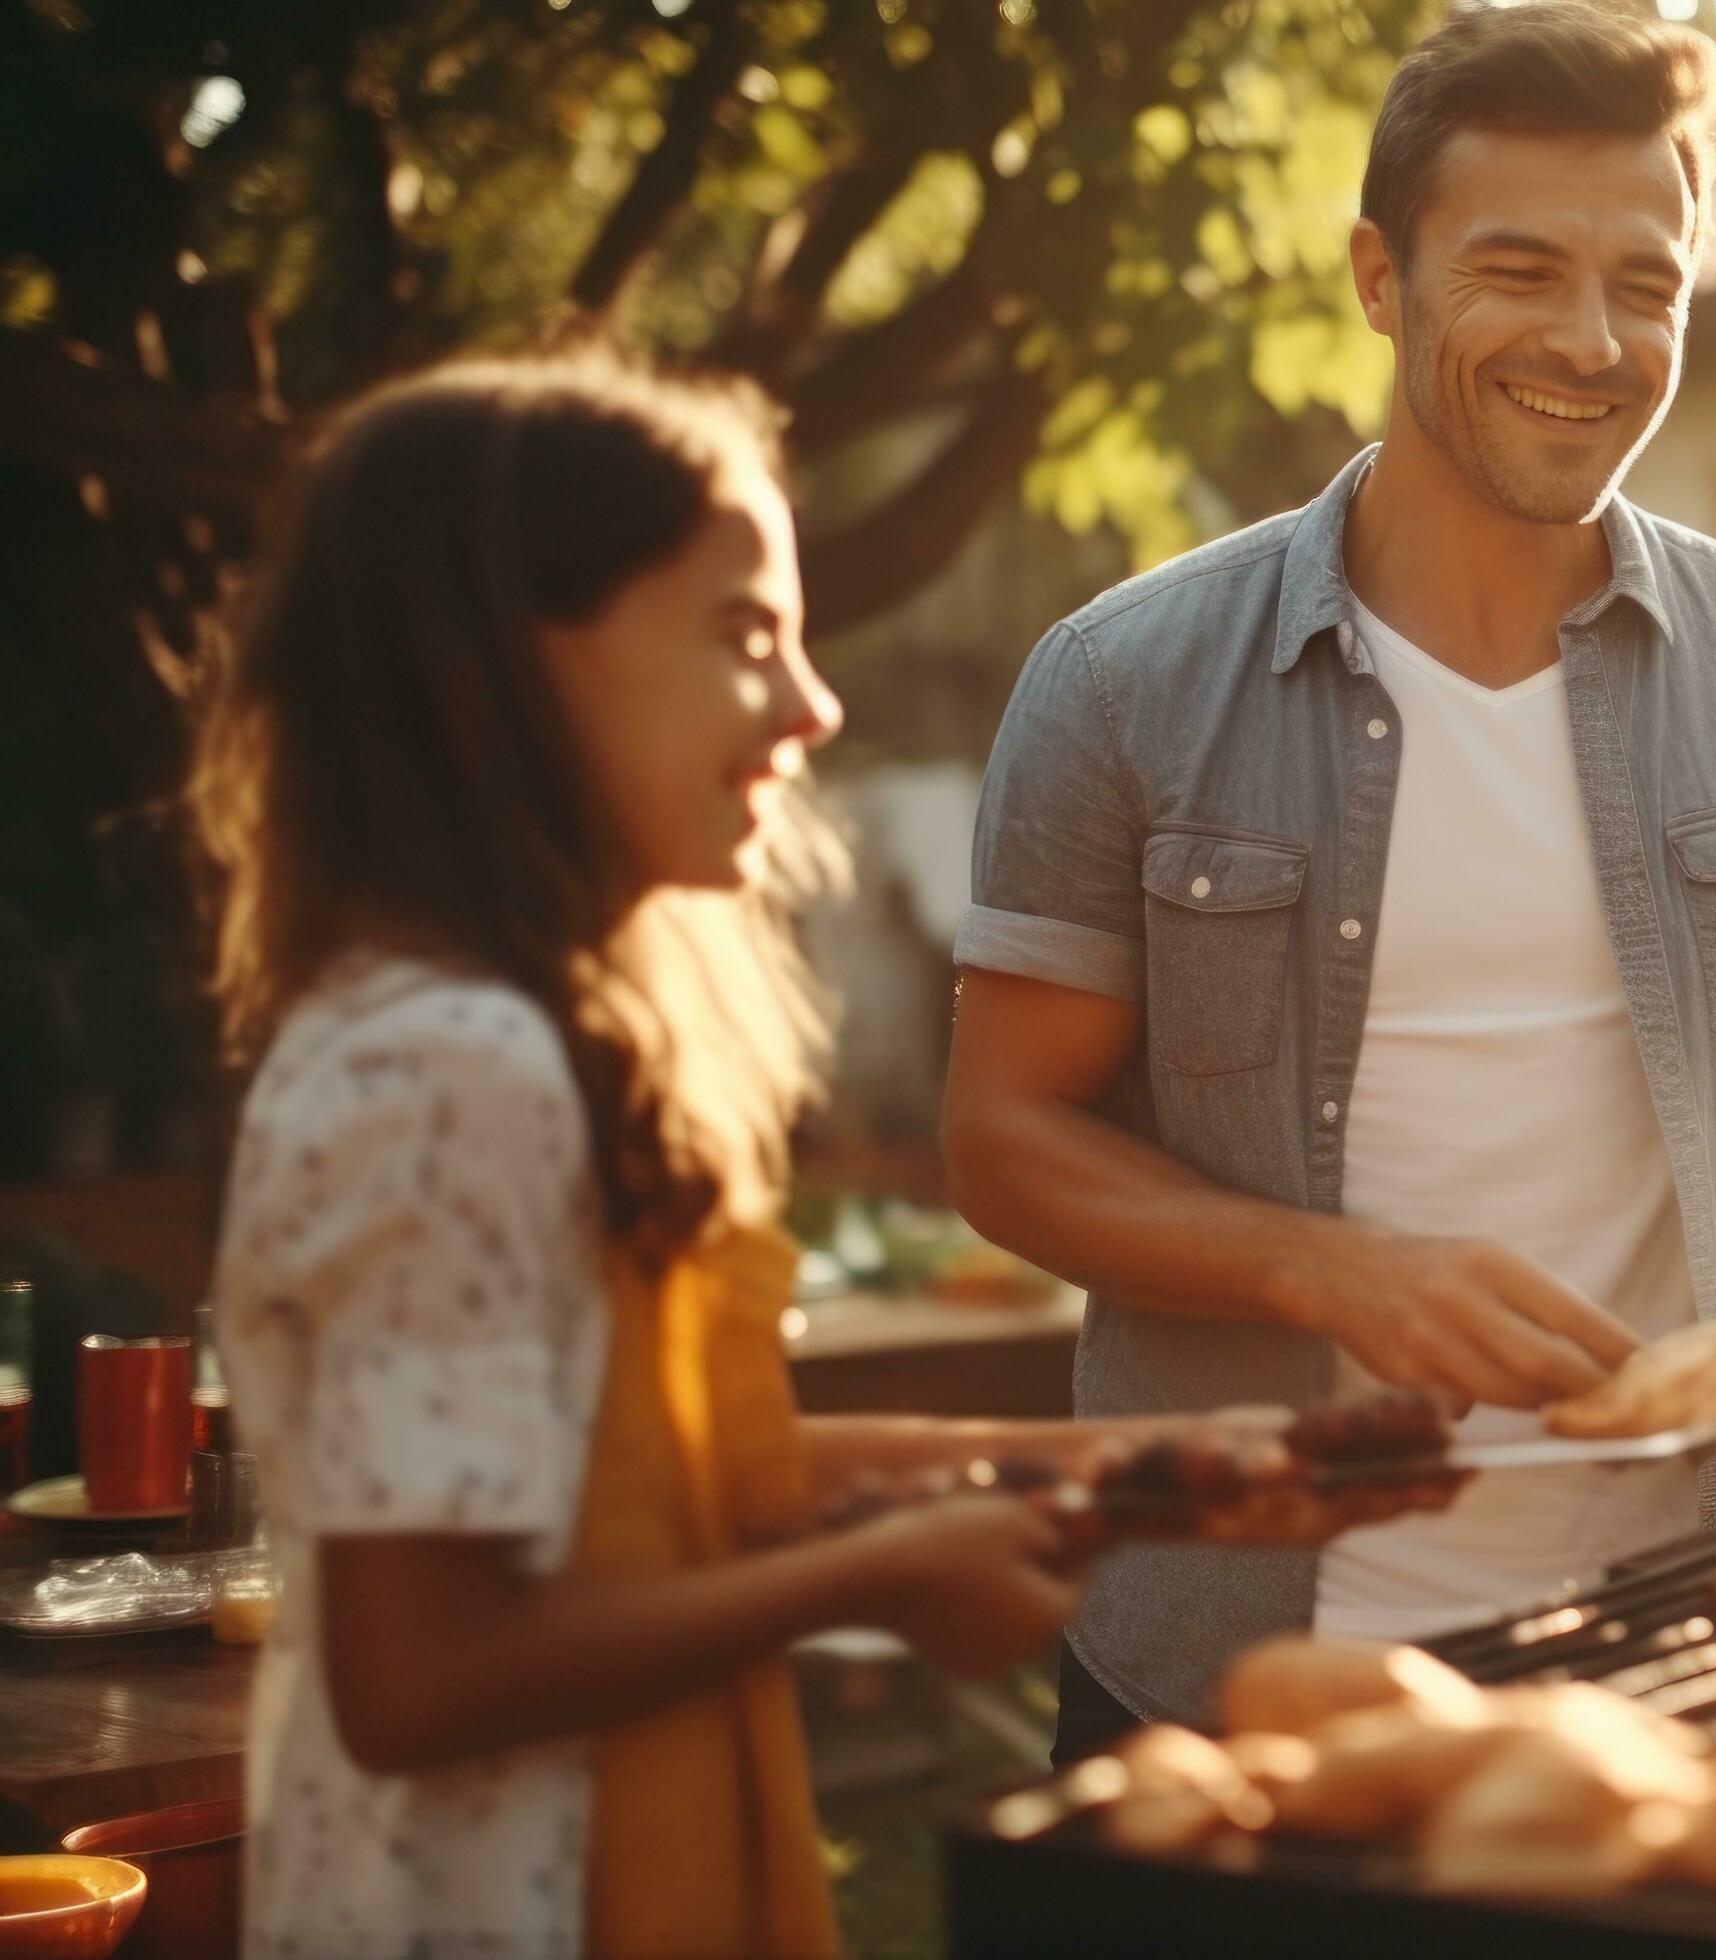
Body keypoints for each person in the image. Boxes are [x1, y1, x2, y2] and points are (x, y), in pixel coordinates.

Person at [189, 349, 1435, 1958]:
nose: (813, 704)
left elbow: (679, 1477)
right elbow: (421, 1673)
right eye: (742, 636)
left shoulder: (515, 1047)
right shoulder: (446, 1066)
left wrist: (1155, 1476)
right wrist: (882, 1576)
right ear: (504, 665)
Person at [942, 0, 1716, 1753]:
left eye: (1647, 283)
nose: (1592, 339)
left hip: (1701, 1638)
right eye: (1520, 269)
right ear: (1380, 280)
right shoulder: (1123, 681)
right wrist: (1327, 1271)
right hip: (1236, 1662)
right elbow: (1002, 1138)